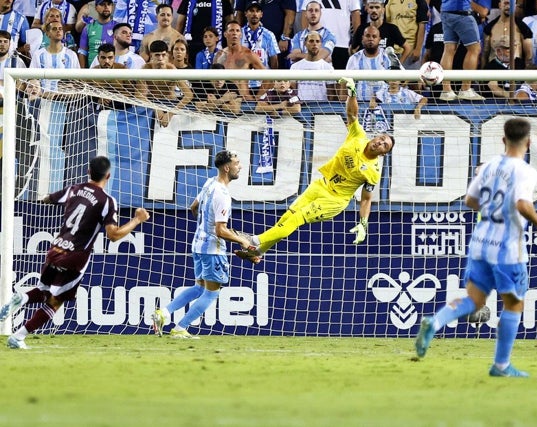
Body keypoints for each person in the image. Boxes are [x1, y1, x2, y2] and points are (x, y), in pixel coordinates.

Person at [414, 117, 537, 377]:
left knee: (474, 300)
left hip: (480, 241)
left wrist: (490, 210)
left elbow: (469, 200)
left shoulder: (488, 167)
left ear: (503, 139)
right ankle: (501, 366)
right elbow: (522, 204)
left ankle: (436, 321)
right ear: (529, 142)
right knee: (513, 304)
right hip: (508, 247)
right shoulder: (525, 170)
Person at [0, 156, 150, 349]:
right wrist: (137, 220)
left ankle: (23, 298)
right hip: (75, 258)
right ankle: (18, 337)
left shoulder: (73, 189)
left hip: (55, 249)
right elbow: (113, 235)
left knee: (44, 290)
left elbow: (48, 199)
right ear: (109, 175)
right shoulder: (106, 201)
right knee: (55, 302)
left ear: (88, 172)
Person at [242, 78, 394, 260]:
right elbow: (353, 114)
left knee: (298, 218)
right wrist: (352, 93)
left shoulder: (373, 171)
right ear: (377, 135)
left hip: (335, 200)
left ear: (383, 153)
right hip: (321, 185)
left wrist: (363, 223)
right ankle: (258, 252)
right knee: (287, 217)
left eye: (385, 145)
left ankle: (255, 240)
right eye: (382, 138)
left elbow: (366, 199)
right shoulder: (358, 136)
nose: (380, 142)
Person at [151, 150, 249, 339]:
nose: (240, 166)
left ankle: (163, 313)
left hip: (198, 246)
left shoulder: (209, 183)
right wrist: (243, 240)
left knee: (199, 288)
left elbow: (193, 207)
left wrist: (204, 228)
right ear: (227, 168)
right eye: (237, 163)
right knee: (212, 294)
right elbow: (221, 230)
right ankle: (180, 328)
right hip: (213, 250)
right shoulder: (223, 195)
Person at [137, 40, 193, 127]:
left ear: (167, 54)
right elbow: (139, 95)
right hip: (152, 104)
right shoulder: (145, 69)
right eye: (157, 55)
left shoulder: (171, 69)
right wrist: (156, 109)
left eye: (163, 55)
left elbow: (189, 95)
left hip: (171, 104)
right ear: (151, 55)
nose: (160, 58)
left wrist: (170, 114)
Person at [437, 0, 486, 101]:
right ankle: (465, 89)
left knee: (449, 49)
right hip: (461, 12)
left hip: (446, 12)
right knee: (475, 49)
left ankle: (446, 90)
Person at [290, 31, 338, 101]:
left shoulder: (328, 68)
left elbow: (332, 95)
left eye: (317, 41)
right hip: (302, 107)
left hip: (322, 108)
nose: (315, 44)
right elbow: (292, 92)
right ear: (305, 44)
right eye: (311, 41)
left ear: (321, 44)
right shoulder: (295, 67)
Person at [77, 0, 114, 68]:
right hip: (92, 73)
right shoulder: (88, 28)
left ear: (112, 7)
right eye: (102, 4)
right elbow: (82, 52)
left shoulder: (118, 28)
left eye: (109, 4)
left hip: (112, 72)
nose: (106, 7)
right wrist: (82, 75)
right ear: (96, 7)